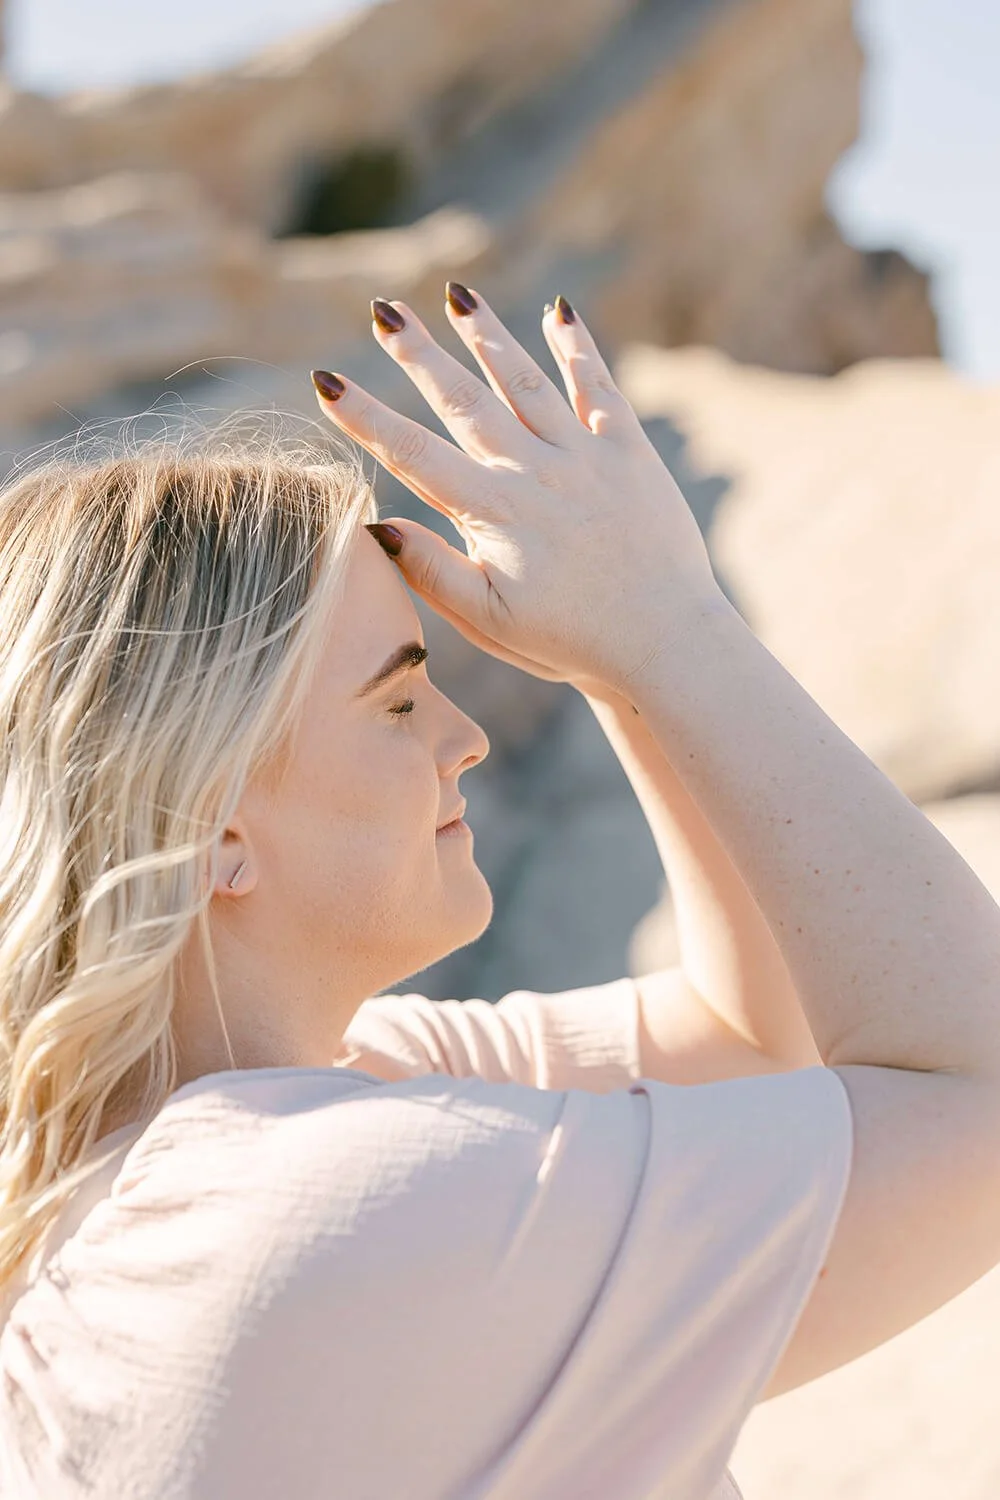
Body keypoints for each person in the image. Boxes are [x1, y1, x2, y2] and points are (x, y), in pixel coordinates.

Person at [0, 285, 997, 1500]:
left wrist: (622, 668)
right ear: (207, 821)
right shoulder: (313, 1217)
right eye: (402, 698)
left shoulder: (304, 1103)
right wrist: (673, 627)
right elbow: (978, 1101)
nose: (464, 737)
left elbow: (746, 1033)